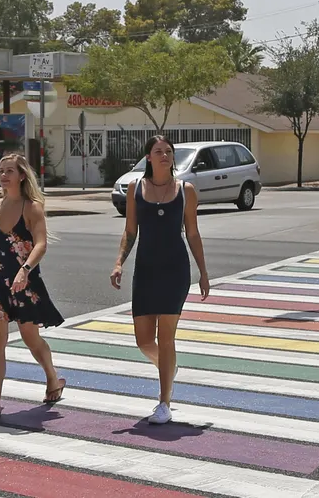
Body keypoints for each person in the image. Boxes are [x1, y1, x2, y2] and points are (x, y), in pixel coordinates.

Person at [110, 134, 209, 425]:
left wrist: (203, 272)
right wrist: (118, 262)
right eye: (158, 151)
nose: (164, 155)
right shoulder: (135, 188)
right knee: (143, 340)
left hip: (175, 270)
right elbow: (130, 231)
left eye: (168, 151)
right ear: (148, 158)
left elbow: (192, 232)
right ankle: (168, 368)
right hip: (146, 269)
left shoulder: (186, 190)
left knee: (166, 338)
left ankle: (164, 402)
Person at [0, 152, 66, 421]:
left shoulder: (32, 207)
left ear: (22, 175)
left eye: (10, 171)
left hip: (24, 282)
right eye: (1, 171)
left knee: (30, 338)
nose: (4, 176)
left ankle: (52, 378)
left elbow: (41, 244)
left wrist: (25, 270)